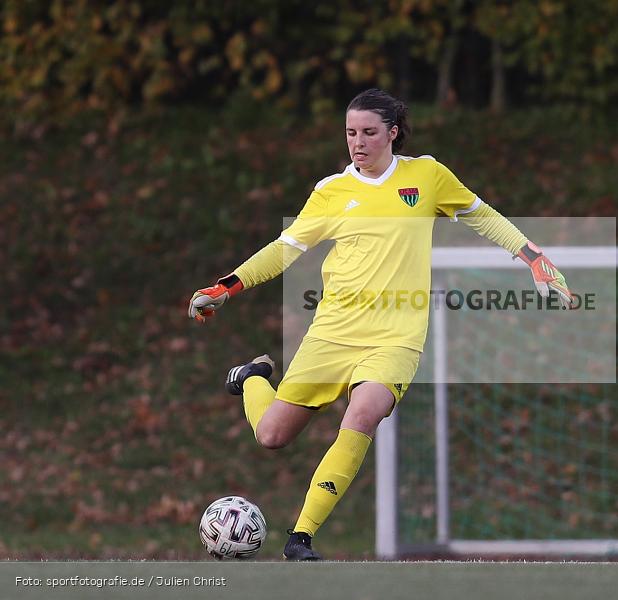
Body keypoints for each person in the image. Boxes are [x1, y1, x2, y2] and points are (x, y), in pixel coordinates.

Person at [188, 88, 571, 560]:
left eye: (369, 132)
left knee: (364, 412)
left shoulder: (426, 175)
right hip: (332, 332)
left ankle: (300, 537)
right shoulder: (332, 191)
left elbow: (482, 216)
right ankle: (250, 378)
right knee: (272, 436)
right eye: (351, 133)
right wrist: (227, 286)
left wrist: (532, 257)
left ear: (392, 133)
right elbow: (284, 250)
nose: (358, 142)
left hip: (396, 336)